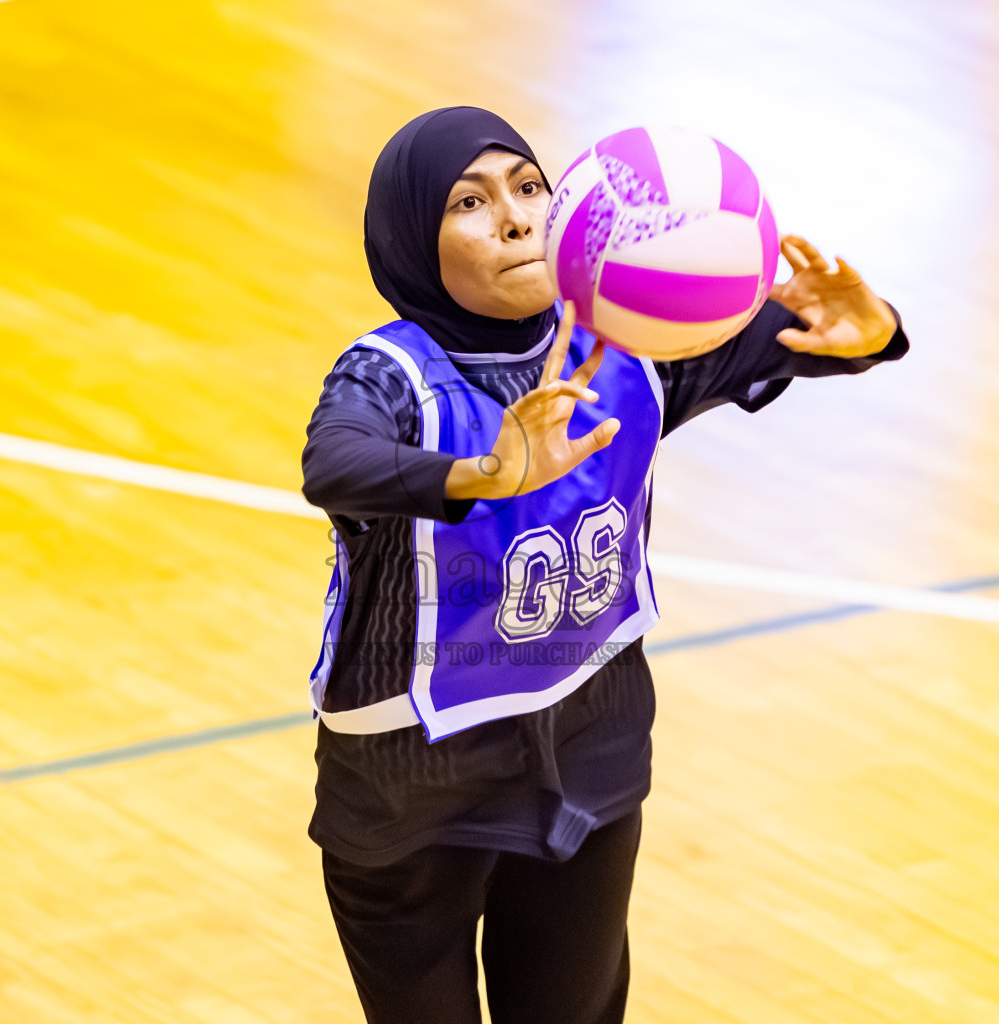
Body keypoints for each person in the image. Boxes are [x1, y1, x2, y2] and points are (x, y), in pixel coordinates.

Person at [299, 106, 909, 1024]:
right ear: (410, 242)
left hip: (588, 755)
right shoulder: (389, 376)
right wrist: (487, 472)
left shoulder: (626, 349)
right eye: (470, 201)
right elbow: (333, 464)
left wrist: (869, 331)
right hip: (412, 787)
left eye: (529, 186)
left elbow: (793, 336)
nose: (514, 217)